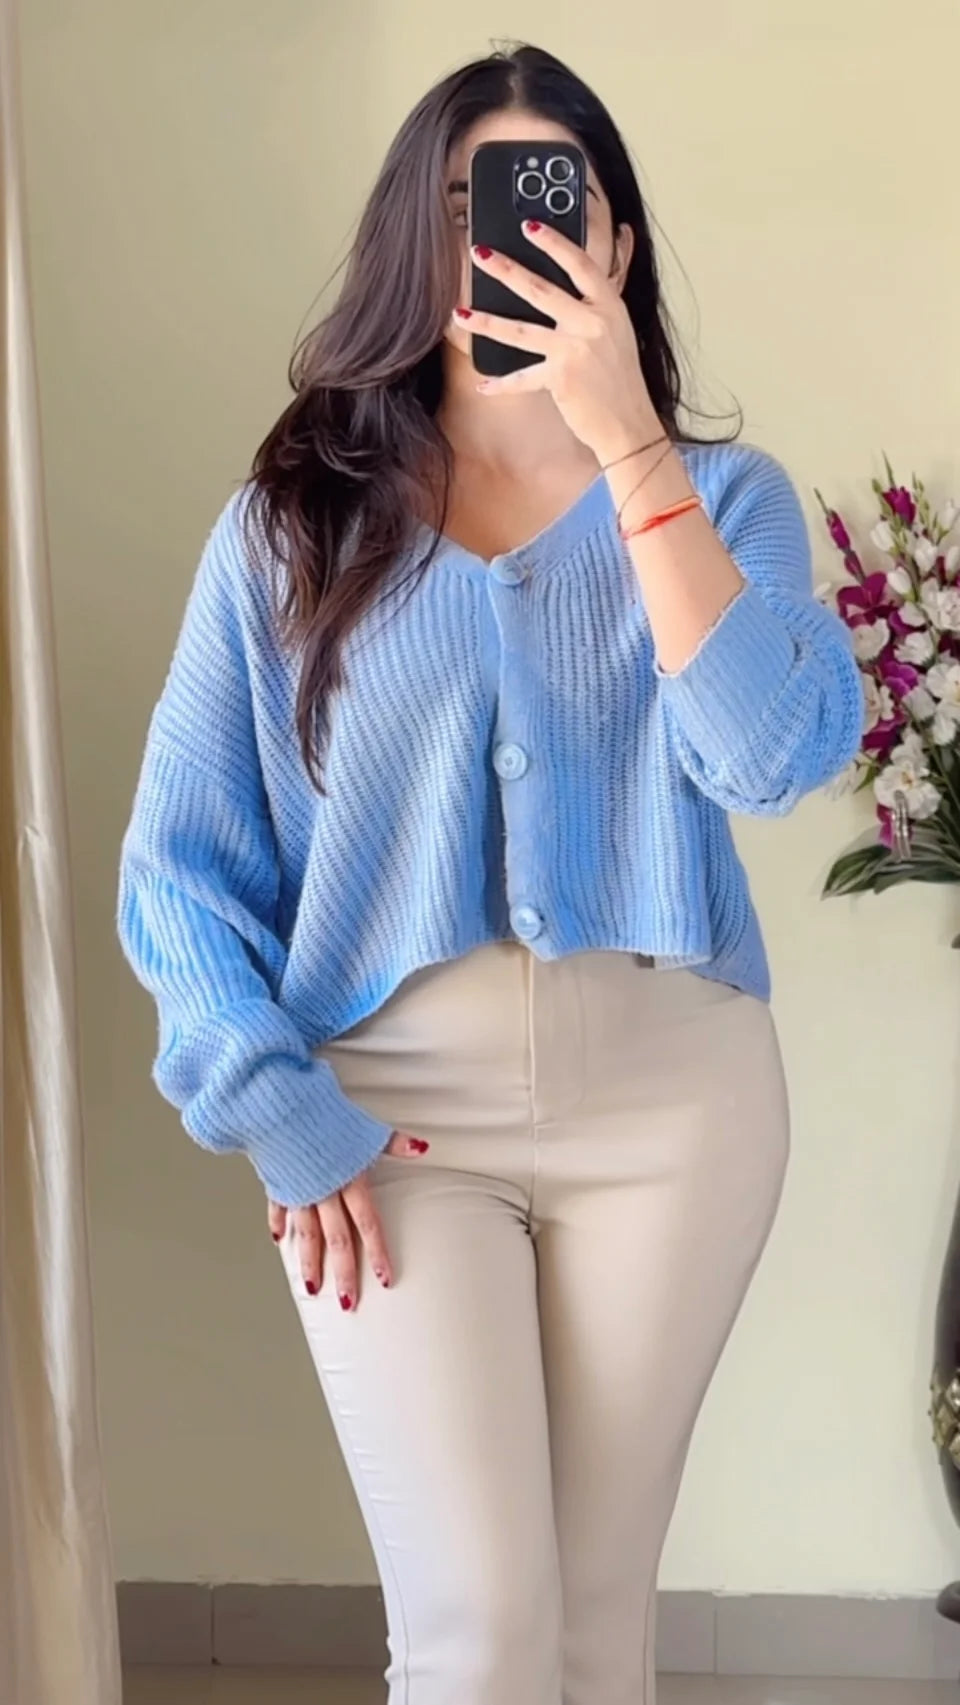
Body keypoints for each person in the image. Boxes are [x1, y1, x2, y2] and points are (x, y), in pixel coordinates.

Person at [117, 41, 861, 1705]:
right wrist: (276, 1105)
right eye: (464, 203)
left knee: (593, 1633)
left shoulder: (724, 500)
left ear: (615, 244)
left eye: (546, 201)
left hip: (676, 1112)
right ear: (414, 233)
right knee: (478, 1638)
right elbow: (181, 870)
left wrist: (632, 447)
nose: (499, 239)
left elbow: (769, 756)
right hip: (389, 1122)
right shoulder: (294, 522)